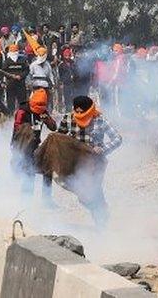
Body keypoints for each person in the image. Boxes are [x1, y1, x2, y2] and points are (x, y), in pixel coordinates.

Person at [56, 96, 122, 226]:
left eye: (82, 112)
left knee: (94, 190)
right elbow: (59, 137)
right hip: (75, 163)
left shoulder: (99, 120)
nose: (79, 114)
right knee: (82, 194)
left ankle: (101, 221)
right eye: (77, 111)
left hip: (94, 163)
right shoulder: (68, 118)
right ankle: (101, 212)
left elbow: (117, 138)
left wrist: (102, 148)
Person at [11, 89, 57, 204]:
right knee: (29, 174)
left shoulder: (43, 112)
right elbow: (17, 130)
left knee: (48, 170)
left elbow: (53, 127)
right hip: (23, 147)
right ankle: (26, 201)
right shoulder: (22, 111)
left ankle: (46, 200)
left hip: (36, 146)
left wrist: (46, 118)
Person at [0, 44, 28, 112]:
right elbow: (3, 72)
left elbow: (26, 70)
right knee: (10, 102)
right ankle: (10, 115)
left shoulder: (23, 60)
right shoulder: (6, 62)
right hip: (10, 84)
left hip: (21, 84)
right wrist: (11, 76)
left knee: (22, 102)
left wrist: (20, 76)